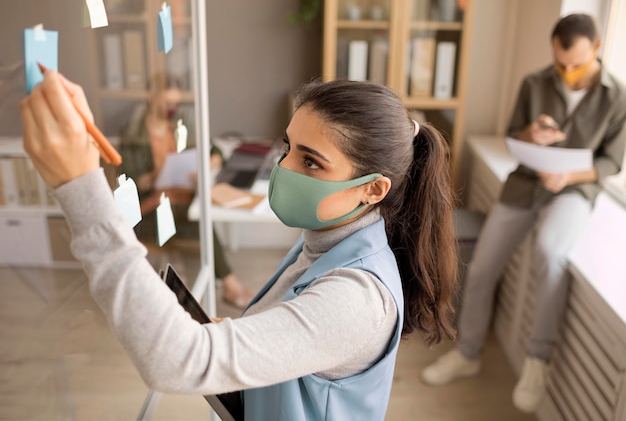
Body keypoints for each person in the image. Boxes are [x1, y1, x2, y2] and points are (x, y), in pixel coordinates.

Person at [21, 75, 458, 419]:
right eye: (288, 147)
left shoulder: (357, 300)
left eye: (310, 161)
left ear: (373, 190)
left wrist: (80, 187)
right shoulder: (326, 244)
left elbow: (176, 362)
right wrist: (234, 334)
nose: (282, 167)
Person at [421, 13, 626, 413]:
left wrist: (570, 175)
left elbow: (612, 162)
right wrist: (531, 135)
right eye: (560, 63)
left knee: (550, 255)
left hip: (574, 190)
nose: (567, 73)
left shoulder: (617, 97)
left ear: (597, 50)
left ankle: (538, 360)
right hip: (524, 183)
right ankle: (468, 352)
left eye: (577, 65)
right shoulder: (535, 82)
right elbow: (513, 135)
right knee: (480, 268)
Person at [118, 75, 254, 309]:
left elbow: (216, 150)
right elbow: (128, 182)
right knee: (200, 219)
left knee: (198, 213)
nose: (173, 108)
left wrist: (209, 161)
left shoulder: (182, 124)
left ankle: (214, 289)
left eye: (176, 102)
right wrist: (154, 176)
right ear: (151, 98)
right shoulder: (133, 133)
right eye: (167, 102)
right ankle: (229, 286)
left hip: (182, 199)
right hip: (151, 207)